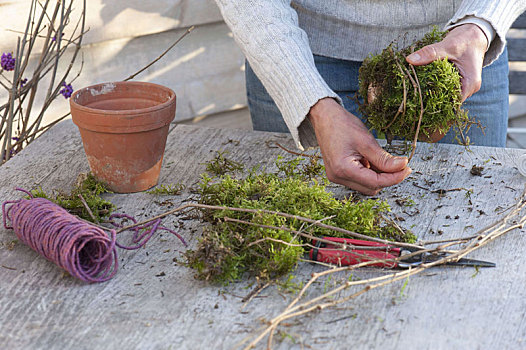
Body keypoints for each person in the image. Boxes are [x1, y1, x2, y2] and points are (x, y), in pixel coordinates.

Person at [214, 1, 526, 195]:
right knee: (303, 222)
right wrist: (309, 99)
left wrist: (479, 26)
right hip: (299, 50)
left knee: (468, 214)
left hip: (457, 53)